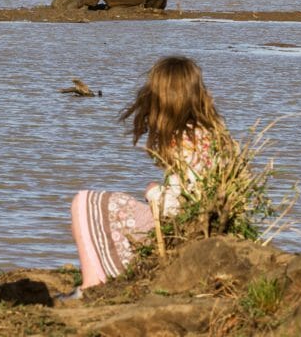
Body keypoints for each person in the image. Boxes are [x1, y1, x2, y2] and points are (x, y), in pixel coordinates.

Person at [69, 56, 225, 293]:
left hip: (179, 232)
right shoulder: (209, 135)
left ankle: (93, 283)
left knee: (85, 203)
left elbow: (182, 206)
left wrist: (154, 193)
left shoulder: (186, 140)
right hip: (195, 232)